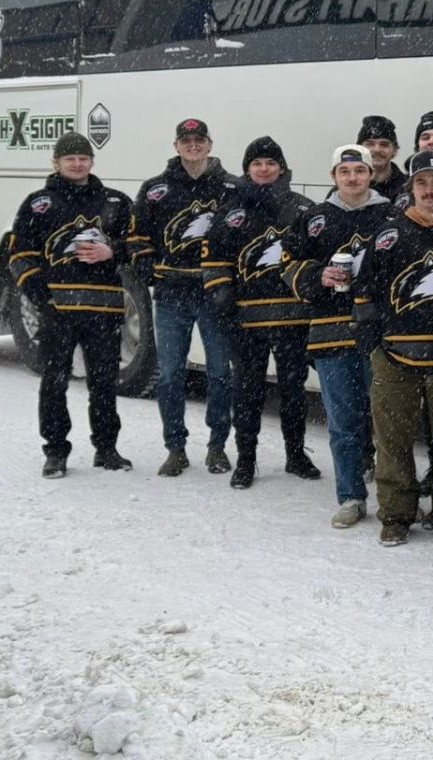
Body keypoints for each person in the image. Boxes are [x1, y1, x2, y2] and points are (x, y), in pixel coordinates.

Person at [354, 150, 433, 547]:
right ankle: (395, 514)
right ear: (411, 188)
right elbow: (367, 287)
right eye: (422, 183)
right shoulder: (391, 232)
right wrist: (368, 333)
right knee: (391, 439)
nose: (430, 191)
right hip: (394, 354)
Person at [10, 132, 134, 478]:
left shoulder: (116, 202)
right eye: (70, 159)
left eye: (83, 158)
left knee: (105, 382)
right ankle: (55, 451)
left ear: (92, 162)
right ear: (56, 163)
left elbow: (141, 248)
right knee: (54, 382)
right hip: (58, 312)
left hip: (104, 310)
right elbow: (20, 256)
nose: (77, 164)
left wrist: (115, 251)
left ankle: (106, 449)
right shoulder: (38, 203)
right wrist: (42, 298)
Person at [203, 136, 320, 489]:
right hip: (247, 320)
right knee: (248, 392)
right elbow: (213, 256)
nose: (264, 169)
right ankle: (246, 459)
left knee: (293, 391)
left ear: (281, 168)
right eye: (257, 164)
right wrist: (221, 294)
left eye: (271, 163)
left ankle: (295, 454)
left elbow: (317, 258)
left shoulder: (303, 208)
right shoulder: (231, 210)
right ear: (247, 170)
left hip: (293, 319)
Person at [285, 144, 392, 528]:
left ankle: (393, 497)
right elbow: (289, 263)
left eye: (360, 171)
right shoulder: (314, 218)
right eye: (345, 172)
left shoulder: (391, 215)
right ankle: (350, 496)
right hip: (330, 334)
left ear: (371, 174)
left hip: (377, 334)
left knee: (387, 423)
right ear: (334, 176)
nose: (353, 178)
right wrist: (317, 277)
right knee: (343, 422)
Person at [130, 117, 237, 478]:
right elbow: (137, 235)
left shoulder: (231, 188)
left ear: (210, 144)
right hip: (171, 294)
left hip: (215, 294)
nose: (193, 145)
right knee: (171, 374)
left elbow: (243, 237)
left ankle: (217, 446)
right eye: (186, 139)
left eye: (199, 139)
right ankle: (175, 448)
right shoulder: (155, 189)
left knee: (221, 372)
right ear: (176, 146)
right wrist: (146, 267)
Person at [358, 115, 405, 204]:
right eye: (370, 144)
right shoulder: (347, 188)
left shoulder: (409, 188)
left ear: (395, 151)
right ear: (359, 149)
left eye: (384, 144)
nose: (377, 150)